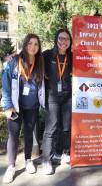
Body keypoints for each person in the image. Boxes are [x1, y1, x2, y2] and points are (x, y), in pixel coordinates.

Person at [1, 34, 45, 183]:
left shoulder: (40, 62)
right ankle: (11, 166)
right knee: (13, 136)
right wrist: (7, 105)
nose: (33, 47)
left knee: (28, 134)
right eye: (30, 43)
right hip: (15, 107)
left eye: (36, 44)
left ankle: (28, 160)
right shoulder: (14, 61)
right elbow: (6, 84)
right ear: (25, 44)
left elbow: (41, 85)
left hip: (32, 107)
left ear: (39, 48)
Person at [42, 29, 72, 175]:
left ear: (70, 41)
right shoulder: (47, 55)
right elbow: (31, 58)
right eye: (61, 38)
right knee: (52, 127)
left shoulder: (71, 56)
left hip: (67, 96)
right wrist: (14, 57)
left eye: (67, 39)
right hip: (52, 96)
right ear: (56, 39)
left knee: (66, 127)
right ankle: (46, 160)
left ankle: (62, 152)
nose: (63, 41)